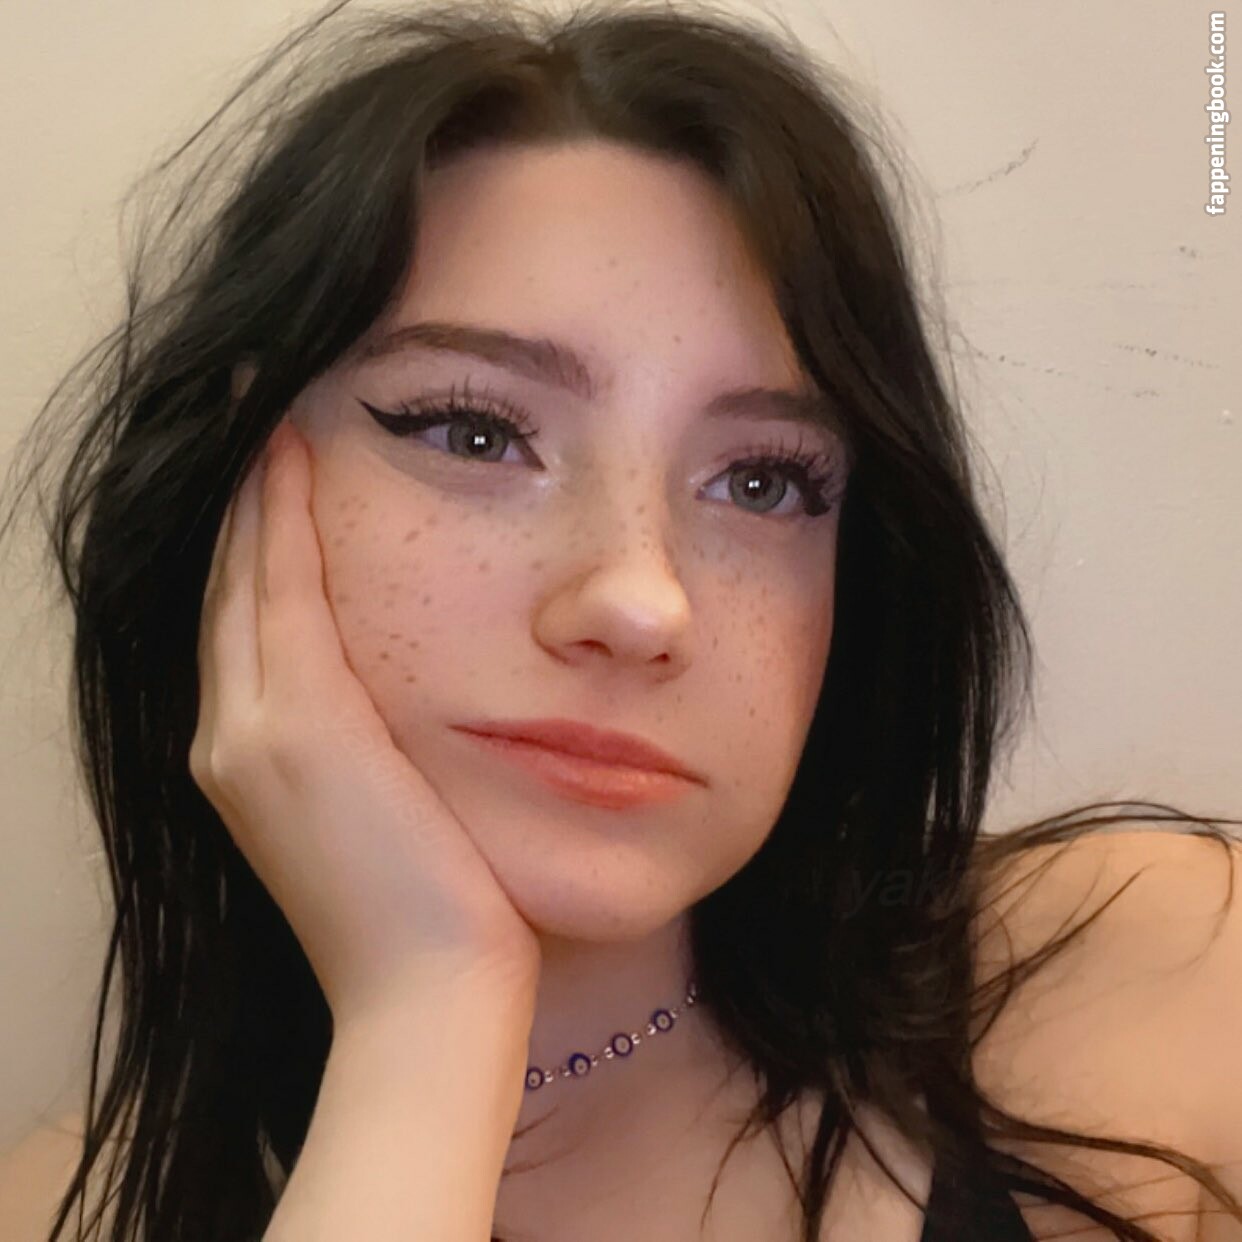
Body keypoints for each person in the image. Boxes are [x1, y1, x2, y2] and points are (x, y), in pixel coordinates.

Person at [0, 2, 1239, 1239]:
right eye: (474, 432)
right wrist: (426, 1015)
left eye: (764, 482)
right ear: (234, 487)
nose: (643, 601)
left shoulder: (1164, 981)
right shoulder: (67, 1211)